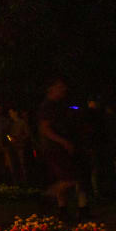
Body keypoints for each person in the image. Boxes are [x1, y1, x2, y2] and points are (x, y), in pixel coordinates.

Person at [37, 78, 88, 221]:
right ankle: (47, 196)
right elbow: (45, 128)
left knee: (62, 177)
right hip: (55, 148)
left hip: (56, 147)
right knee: (70, 178)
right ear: (51, 89)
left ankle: (62, 210)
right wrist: (63, 141)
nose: (63, 90)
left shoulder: (57, 105)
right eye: (60, 87)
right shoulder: (48, 106)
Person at [7, 108, 31, 184]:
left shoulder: (22, 123)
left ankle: (25, 181)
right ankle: (16, 181)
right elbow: (7, 135)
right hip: (12, 147)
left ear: (15, 113)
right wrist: (10, 139)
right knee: (14, 164)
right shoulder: (10, 124)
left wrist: (19, 139)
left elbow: (27, 134)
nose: (10, 115)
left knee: (22, 164)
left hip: (20, 147)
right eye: (9, 113)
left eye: (11, 113)